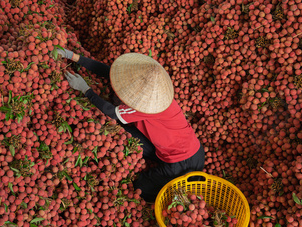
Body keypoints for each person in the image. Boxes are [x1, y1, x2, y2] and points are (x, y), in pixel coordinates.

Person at [58, 49, 205, 202]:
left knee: (140, 188)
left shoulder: (146, 105)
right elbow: (110, 73)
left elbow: (112, 112)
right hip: (192, 149)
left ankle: (176, 186)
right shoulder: (162, 94)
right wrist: (73, 57)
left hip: (180, 162)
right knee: (124, 132)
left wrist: (86, 91)